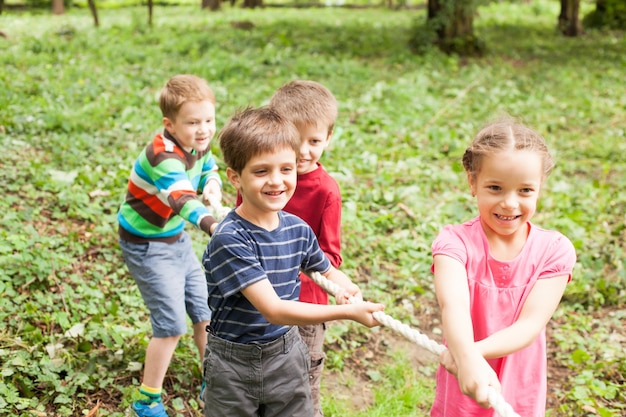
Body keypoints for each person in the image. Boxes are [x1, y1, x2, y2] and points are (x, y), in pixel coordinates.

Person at [201, 106, 384, 417]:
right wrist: (347, 312)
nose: (276, 181)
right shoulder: (231, 239)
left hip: (286, 354)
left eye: (286, 169)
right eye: (261, 171)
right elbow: (274, 309)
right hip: (233, 365)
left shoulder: (297, 229)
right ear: (235, 178)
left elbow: (325, 270)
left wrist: (347, 288)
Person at [430, 118, 577, 417]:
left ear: (539, 189)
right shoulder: (454, 243)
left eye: (525, 191)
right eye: (495, 188)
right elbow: (453, 305)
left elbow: (529, 326)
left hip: (517, 386)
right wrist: (467, 360)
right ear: (472, 183)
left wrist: (469, 354)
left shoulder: (555, 252)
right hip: (464, 383)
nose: (510, 203)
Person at [117, 74, 223, 417]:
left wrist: (213, 185)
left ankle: (215, 380)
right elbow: (180, 198)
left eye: (208, 120)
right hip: (147, 245)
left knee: (206, 312)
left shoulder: (198, 143)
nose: (204, 129)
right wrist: (212, 224)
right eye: (193, 122)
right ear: (170, 124)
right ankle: (147, 400)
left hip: (175, 238)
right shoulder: (163, 155)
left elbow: (208, 166)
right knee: (172, 324)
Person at [236, 79, 341, 416]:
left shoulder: (325, 191)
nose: (304, 152)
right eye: (297, 141)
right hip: (260, 300)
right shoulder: (261, 179)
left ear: (329, 139)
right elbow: (241, 222)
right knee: (262, 377)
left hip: (306, 306)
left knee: (302, 383)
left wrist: (290, 260)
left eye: (315, 141)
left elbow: (331, 256)